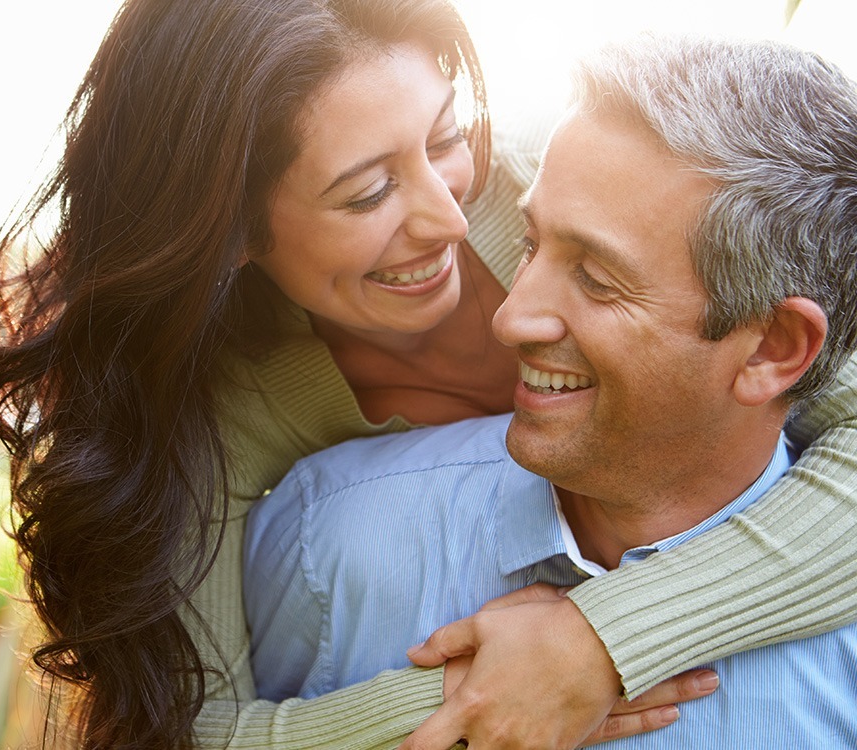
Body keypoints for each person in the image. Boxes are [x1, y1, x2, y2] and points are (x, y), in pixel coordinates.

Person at [0, 0, 857, 745]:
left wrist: (605, 641)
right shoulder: (216, 413)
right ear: (232, 229)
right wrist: (471, 702)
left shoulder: (585, 181)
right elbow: (183, 728)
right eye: (366, 194)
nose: (448, 216)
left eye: (444, 138)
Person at [245, 34, 857, 748]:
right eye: (530, 245)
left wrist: (608, 637)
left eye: (597, 279)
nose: (508, 317)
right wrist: (453, 708)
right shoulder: (324, 541)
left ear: (773, 348)